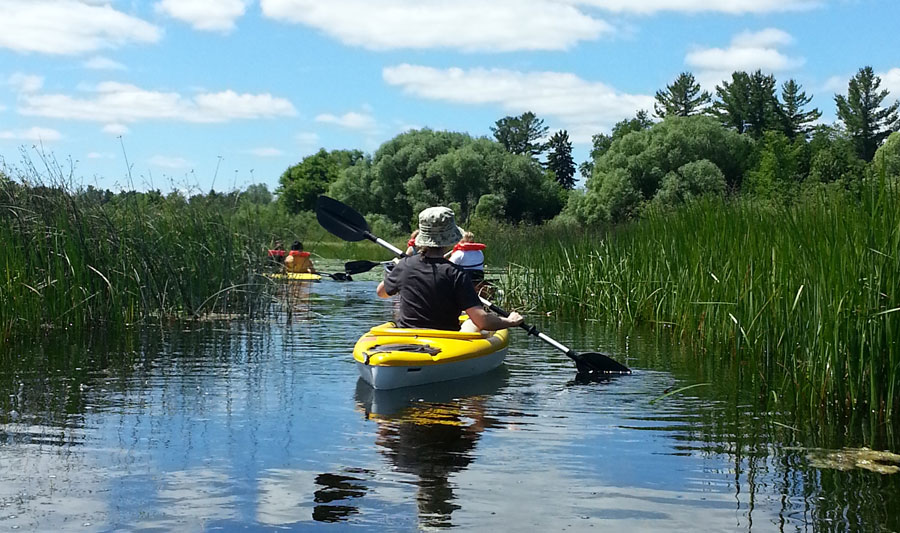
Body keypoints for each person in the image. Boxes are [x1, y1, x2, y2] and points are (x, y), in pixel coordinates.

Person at [376, 206, 522, 332]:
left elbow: (381, 293)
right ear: (449, 239)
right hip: (444, 340)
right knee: (471, 323)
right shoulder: (456, 273)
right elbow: (482, 321)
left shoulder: (404, 265)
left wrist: (399, 267)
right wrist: (510, 321)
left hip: (407, 337)